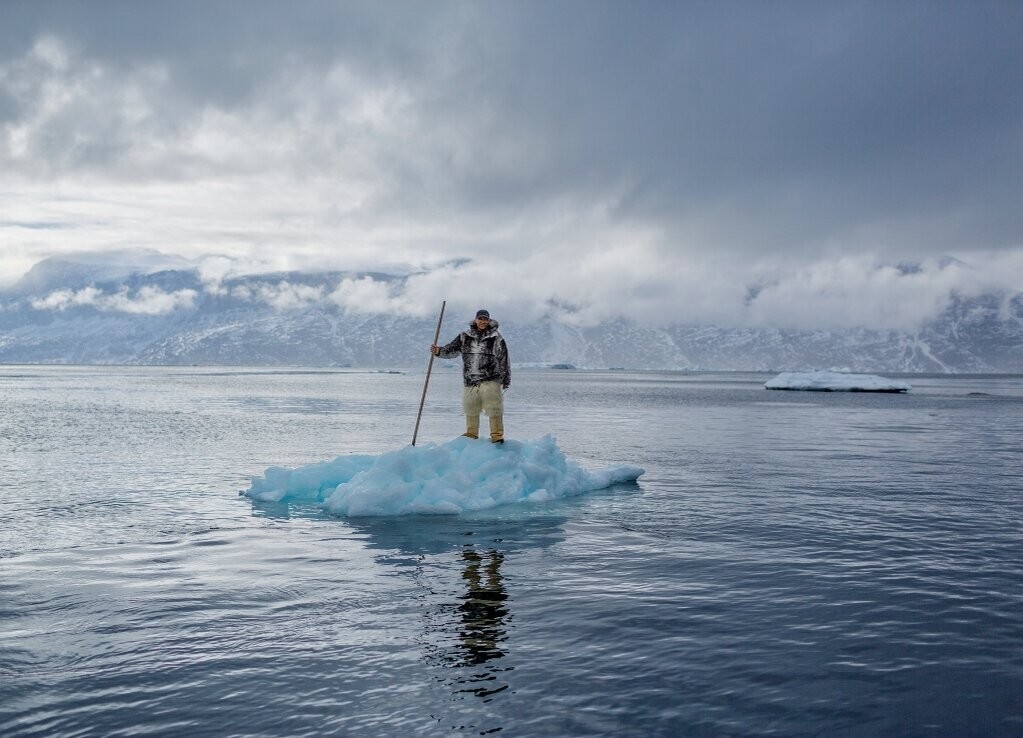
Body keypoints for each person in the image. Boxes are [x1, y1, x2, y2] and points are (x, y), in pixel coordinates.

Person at [431, 309, 511, 443]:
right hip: (470, 380)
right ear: (475, 320)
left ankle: (497, 435)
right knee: (471, 408)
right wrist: (439, 351)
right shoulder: (464, 336)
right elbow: (451, 350)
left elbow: (504, 359)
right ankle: (471, 434)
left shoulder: (496, 338)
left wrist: (505, 378)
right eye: (480, 319)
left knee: (494, 408)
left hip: (490, 378)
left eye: (485, 319)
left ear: (489, 321)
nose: (483, 321)